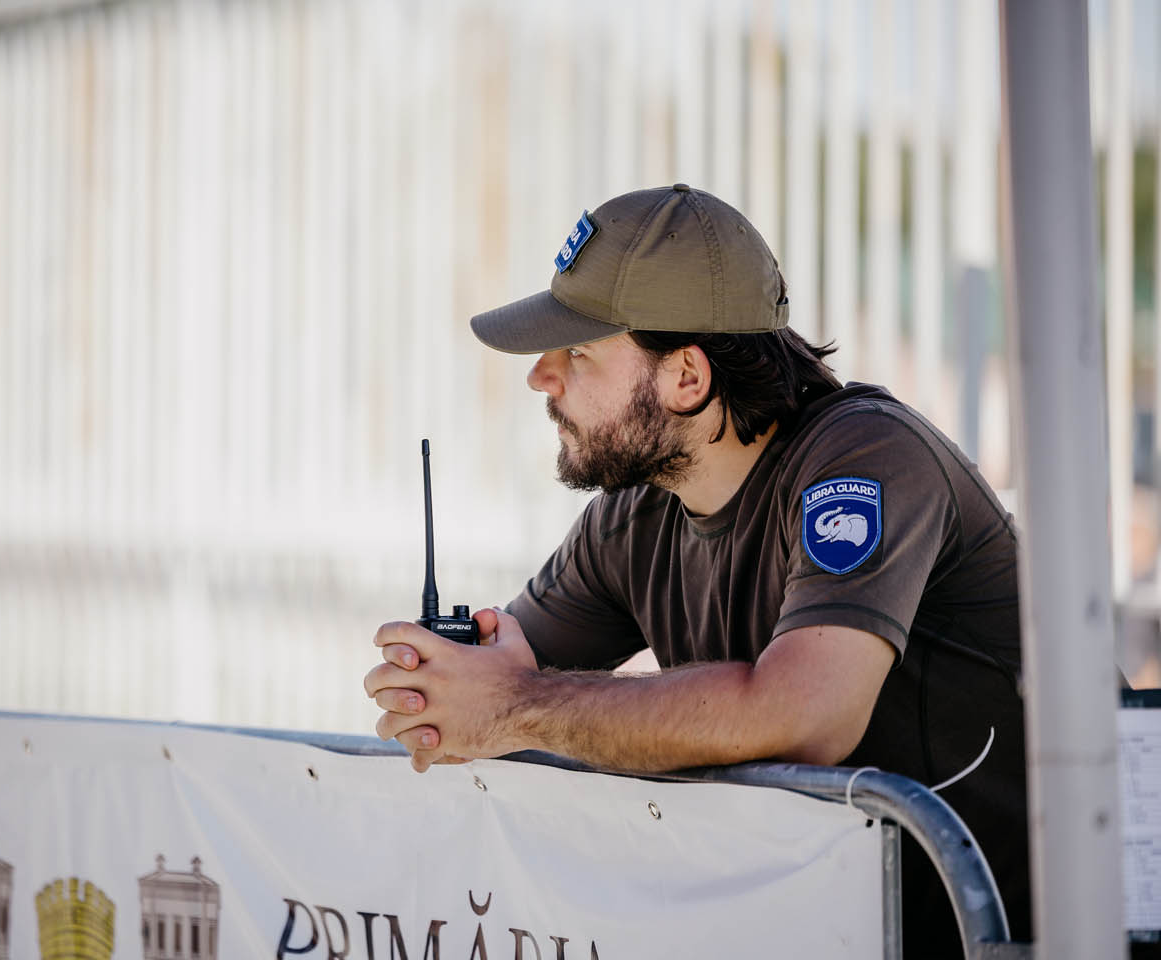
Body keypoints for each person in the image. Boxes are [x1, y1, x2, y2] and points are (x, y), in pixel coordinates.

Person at [363, 184, 1030, 955]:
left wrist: (512, 704)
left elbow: (806, 714)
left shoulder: (866, 458)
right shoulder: (635, 513)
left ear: (687, 376)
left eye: (578, 352)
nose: (541, 378)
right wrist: (439, 687)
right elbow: (495, 685)